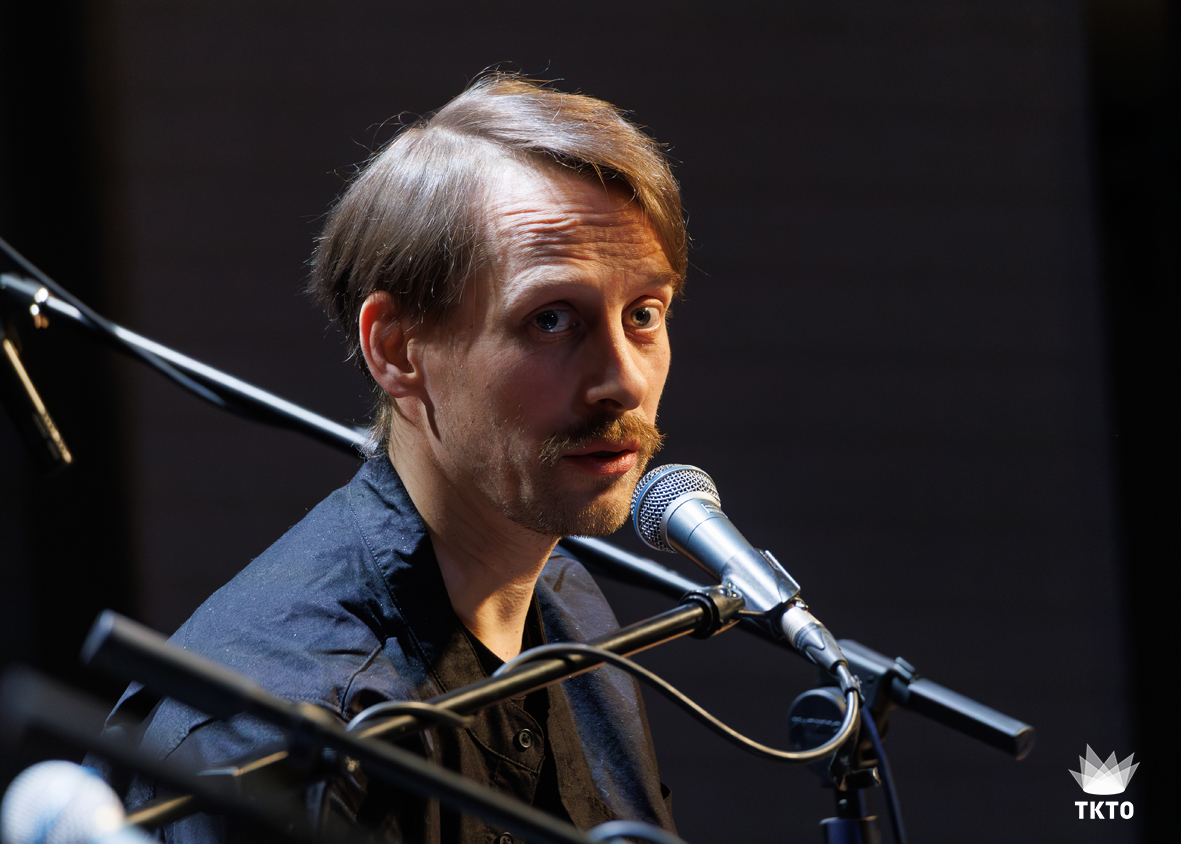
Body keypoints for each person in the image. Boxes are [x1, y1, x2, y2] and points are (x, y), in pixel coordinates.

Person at [99, 72, 687, 843]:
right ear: (397, 350)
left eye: (643, 314)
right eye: (551, 319)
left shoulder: (565, 598)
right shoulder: (282, 721)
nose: (624, 380)